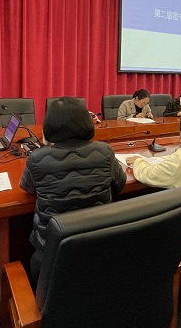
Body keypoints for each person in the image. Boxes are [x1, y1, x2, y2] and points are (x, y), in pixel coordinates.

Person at [21, 97, 127, 282]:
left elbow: (28, 188)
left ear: (49, 125)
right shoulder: (105, 151)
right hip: (98, 246)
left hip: (52, 253)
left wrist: (47, 145)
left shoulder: (37, 158)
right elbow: (119, 185)